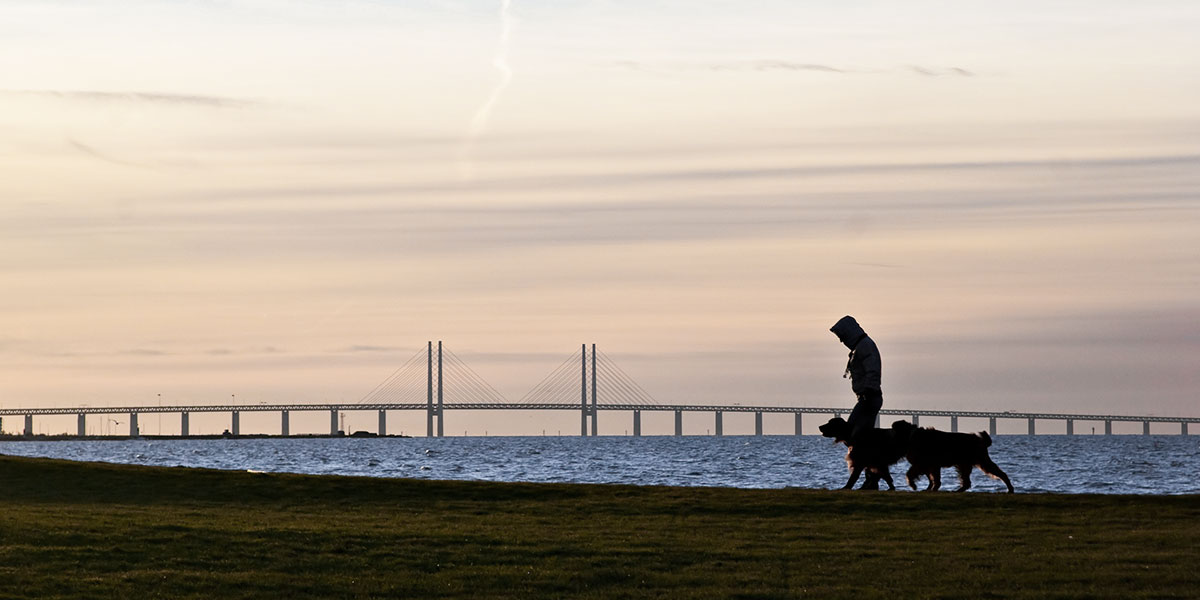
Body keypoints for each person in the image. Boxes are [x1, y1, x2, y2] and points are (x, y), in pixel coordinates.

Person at [830, 315, 882, 443]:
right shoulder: (860, 347)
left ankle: (865, 460)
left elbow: (873, 369)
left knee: (852, 434)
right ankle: (864, 460)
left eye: (842, 337)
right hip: (866, 398)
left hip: (869, 398)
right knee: (853, 435)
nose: (842, 341)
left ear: (849, 333)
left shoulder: (865, 346)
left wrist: (869, 389)